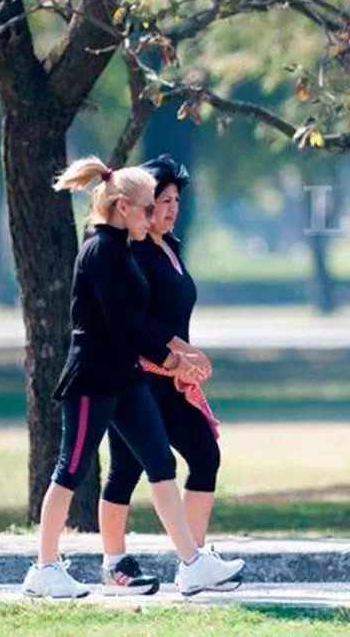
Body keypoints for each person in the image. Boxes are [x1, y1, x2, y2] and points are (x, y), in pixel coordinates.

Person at [21, 156, 244, 599]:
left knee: (160, 463)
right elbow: (124, 325)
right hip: (93, 380)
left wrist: (174, 355)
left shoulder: (123, 251)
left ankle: (192, 563)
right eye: (148, 208)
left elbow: (135, 324)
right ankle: (43, 569)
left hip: (125, 378)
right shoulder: (102, 251)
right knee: (71, 468)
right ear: (123, 208)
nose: (155, 216)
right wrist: (172, 357)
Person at [98, 155, 229, 595]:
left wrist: (185, 355)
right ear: (140, 204)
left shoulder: (171, 246)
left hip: (173, 378)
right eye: (162, 200)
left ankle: (192, 560)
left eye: (176, 199)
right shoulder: (131, 253)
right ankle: (113, 563)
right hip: (139, 375)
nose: (171, 208)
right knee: (126, 469)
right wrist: (180, 348)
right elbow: (135, 321)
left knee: (205, 455)